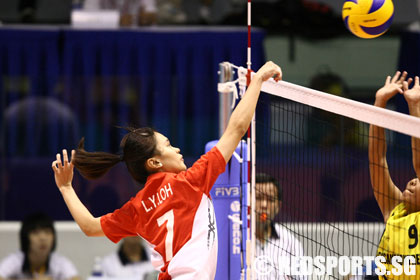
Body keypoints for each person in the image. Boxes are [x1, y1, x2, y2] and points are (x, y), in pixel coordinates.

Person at [52, 61, 282, 280]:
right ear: (154, 163)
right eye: (169, 145)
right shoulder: (190, 181)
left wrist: (65, 187)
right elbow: (237, 128)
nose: (178, 149)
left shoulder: (138, 208)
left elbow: (90, 227)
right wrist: (258, 80)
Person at [369, 71, 420, 279]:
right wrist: (379, 102)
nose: (413, 180)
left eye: (419, 181)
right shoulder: (395, 212)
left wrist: (414, 106)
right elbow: (377, 159)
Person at [254, 173, 305, 280]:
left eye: (270, 200)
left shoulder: (291, 243)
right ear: (247, 201)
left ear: (278, 206)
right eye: (258, 198)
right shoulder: (236, 240)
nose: (264, 205)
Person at [0, 213, 80, 280]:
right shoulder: (15, 260)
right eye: (35, 233)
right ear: (25, 237)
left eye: (47, 232)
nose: (42, 238)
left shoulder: (59, 262)